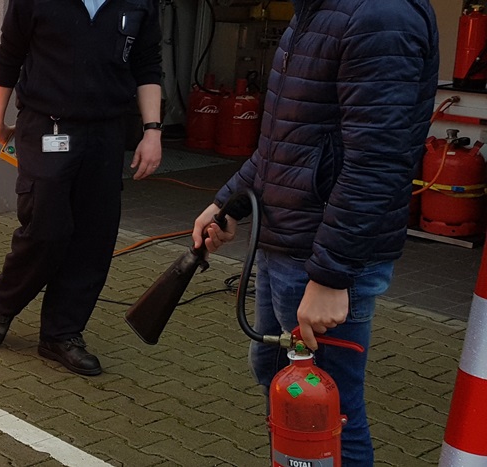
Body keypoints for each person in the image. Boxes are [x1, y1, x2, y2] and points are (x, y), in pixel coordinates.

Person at [191, 1, 438, 465]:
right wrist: (229, 202)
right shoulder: (318, 11)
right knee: (277, 377)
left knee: (328, 406)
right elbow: (284, 142)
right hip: (287, 246)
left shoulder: (380, 16)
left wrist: (331, 277)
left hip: (322, 259)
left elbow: (377, 164)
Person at [0, 0, 163, 377]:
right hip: (46, 125)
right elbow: (10, 52)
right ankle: (4, 303)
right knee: (45, 228)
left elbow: (147, 62)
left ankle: (62, 333)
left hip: (106, 133)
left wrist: (152, 131)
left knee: (94, 238)